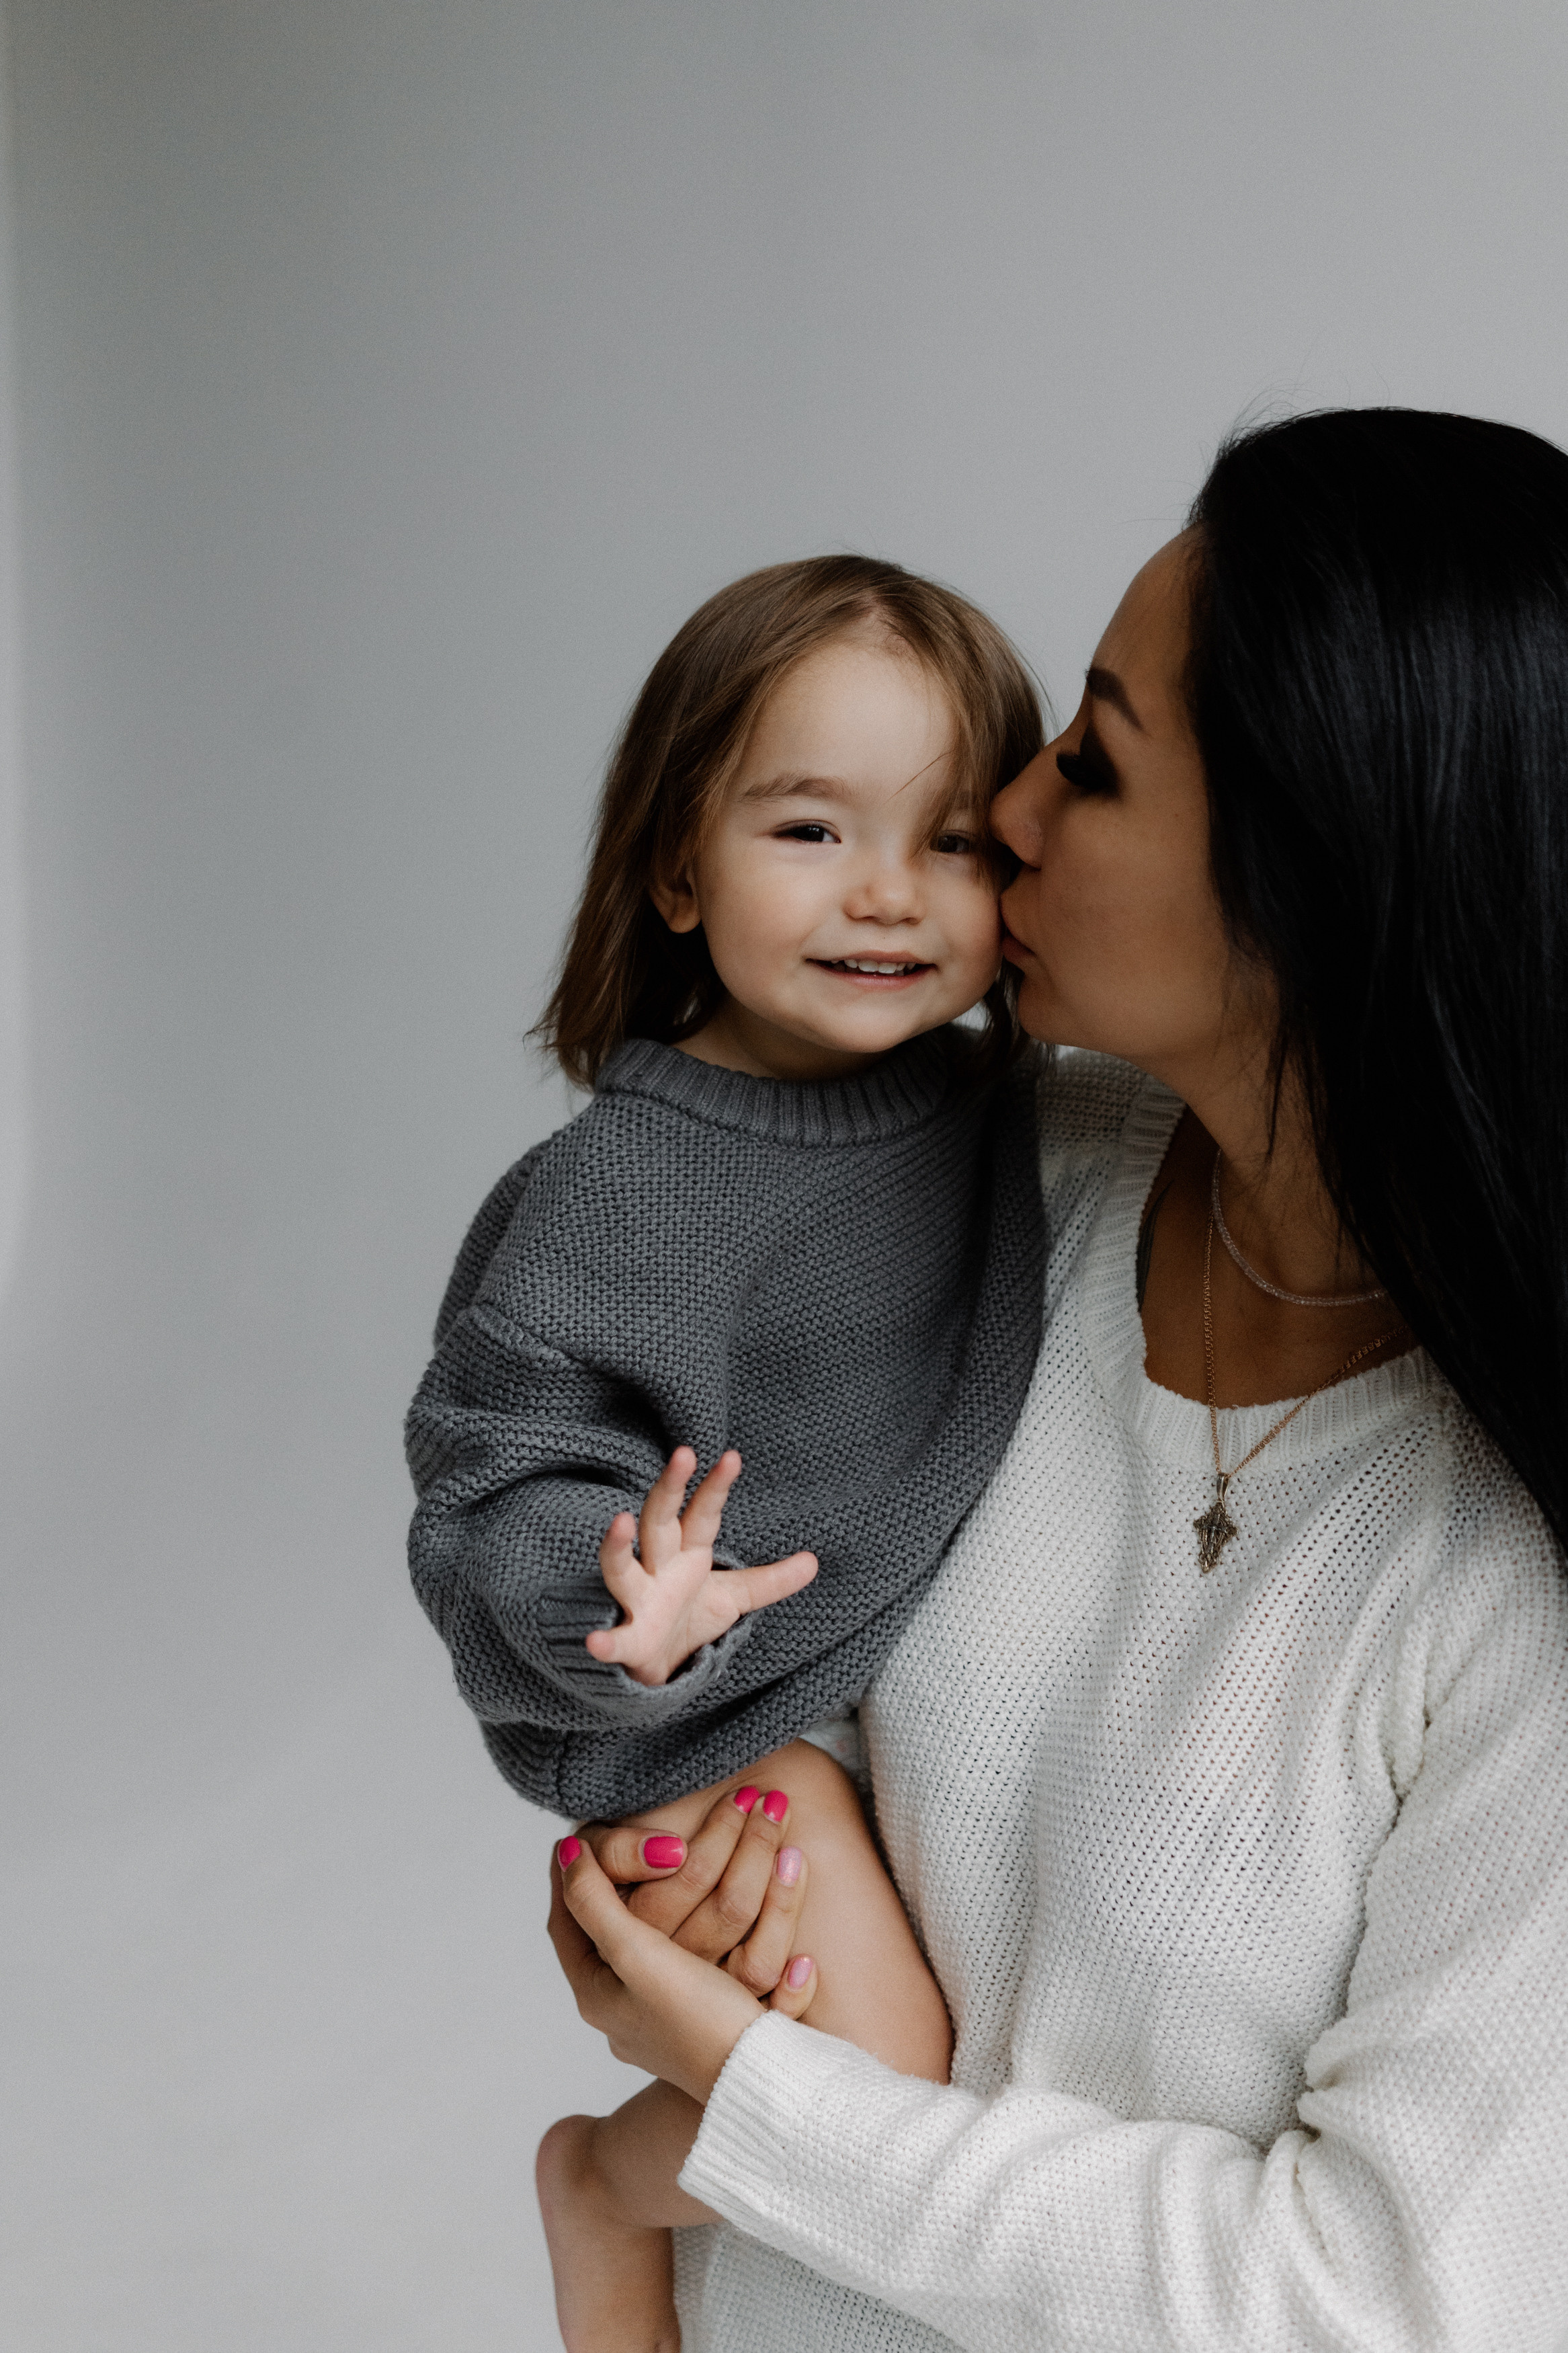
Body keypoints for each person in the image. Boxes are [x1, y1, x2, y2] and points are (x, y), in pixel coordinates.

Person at [548, 408, 1568, 2352]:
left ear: (1317, 880)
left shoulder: (1520, 1573)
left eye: (1093, 761)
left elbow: (1378, 2303)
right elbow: (746, 1591)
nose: (1004, 808)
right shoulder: (989, 1180)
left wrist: (762, 2104)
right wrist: (724, 1837)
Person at [402, 555, 1051, 2348]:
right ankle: (607, 2186)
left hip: (878, 1678)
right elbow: (494, 1460)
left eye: (951, 841)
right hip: (706, 1715)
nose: (885, 894)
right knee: (885, 2081)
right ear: (680, 868)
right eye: (810, 830)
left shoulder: (1012, 1115)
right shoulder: (617, 1188)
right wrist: (622, 1594)